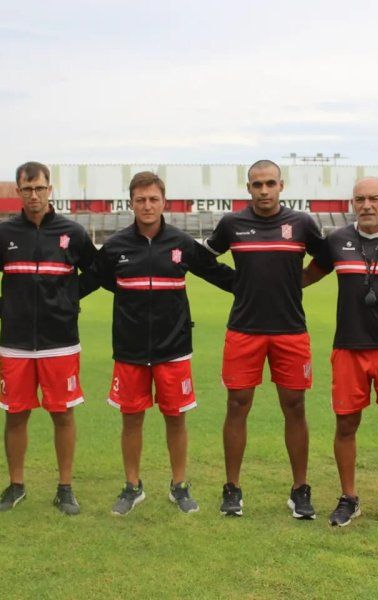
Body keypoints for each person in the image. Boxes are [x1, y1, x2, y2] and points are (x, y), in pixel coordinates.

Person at [93, 172, 234, 516]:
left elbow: (217, 273)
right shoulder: (115, 247)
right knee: (132, 420)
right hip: (130, 351)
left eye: (153, 199)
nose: (147, 205)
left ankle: (179, 486)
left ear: (164, 202)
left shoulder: (182, 243)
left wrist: (261, 287)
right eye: (140, 200)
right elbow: (92, 281)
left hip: (174, 350)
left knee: (176, 419)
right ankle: (132, 486)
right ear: (131, 203)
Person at [203, 159, 325, 519]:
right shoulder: (232, 224)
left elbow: (327, 259)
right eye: (257, 185)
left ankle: (300, 489)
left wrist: (302, 280)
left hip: (290, 330)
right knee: (237, 406)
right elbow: (204, 259)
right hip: (245, 330)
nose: (264, 191)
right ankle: (232, 489)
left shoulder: (301, 224)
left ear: (282, 186)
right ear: (248, 188)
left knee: (295, 407)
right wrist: (234, 284)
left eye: (270, 183)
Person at [303, 177, 378, 527]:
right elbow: (308, 276)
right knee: (345, 425)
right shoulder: (337, 240)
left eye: (374, 198)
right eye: (360, 199)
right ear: (352, 203)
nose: (367, 205)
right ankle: (349, 497)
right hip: (349, 349)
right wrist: (265, 285)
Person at [0, 161, 97, 516]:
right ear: (18, 192)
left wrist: (69, 298)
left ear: (51, 190)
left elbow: (98, 272)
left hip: (60, 340)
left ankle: (65, 488)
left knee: (62, 414)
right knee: (15, 415)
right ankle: (16, 485)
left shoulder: (73, 232)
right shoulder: (2, 234)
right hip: (15, 341)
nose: (34, 195)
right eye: (27, 189)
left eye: (40, 188)